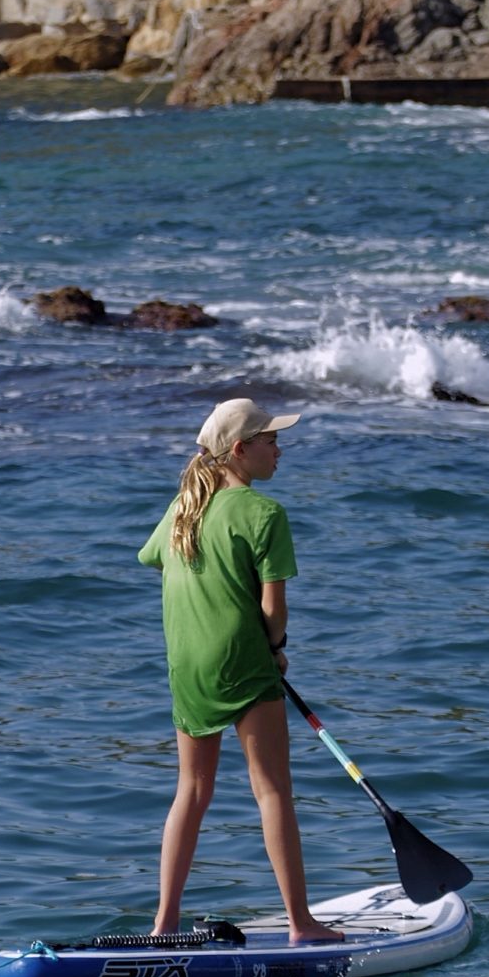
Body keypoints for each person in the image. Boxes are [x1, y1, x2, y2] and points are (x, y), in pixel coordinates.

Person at [138, 397, 344, 944]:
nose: (279, 448)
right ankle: (302, 924)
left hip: (187, 665)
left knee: (192, 790)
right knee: (272, 791)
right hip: (244, 661)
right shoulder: (265, 513)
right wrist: (276, 648)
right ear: (240, 450)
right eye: (270, 440)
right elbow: (274, 610)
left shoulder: (185, 507)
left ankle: (164, 922)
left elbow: (152, 556)